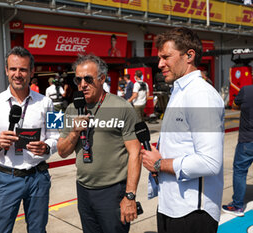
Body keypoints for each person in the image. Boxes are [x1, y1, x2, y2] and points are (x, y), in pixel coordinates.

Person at [140, 27, 225, 233]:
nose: (160, 64)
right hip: (172, 205)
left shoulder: (200, 95)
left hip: (192, 213)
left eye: (166, 57)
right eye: (159, 58)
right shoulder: (180, 90)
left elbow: (210, 162)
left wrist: (159, 163)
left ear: (189, 55)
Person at [57, 54, 142, 233]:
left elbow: (135, 153)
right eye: (78, 79)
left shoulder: (121, 108)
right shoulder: (73, 108)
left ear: (102, 79)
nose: (82, 85)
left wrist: (130, 196)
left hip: (113, 192)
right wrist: (74, 132)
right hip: (84, 190)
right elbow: (62, 152)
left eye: (88, 79)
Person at [0, 46, 59, 233]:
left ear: (31, 72)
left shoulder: (47, 103)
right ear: (6, 71)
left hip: (38, 177)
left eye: (23, 69)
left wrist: (46, 147)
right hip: (7, 178)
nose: (18, 74)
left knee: (38, 230)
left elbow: (57, 137)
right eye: (13, 69)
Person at [222, 84, 253, 217]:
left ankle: (237, 205)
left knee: (240, 171)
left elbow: (234, 105)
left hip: (247, 140)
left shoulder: (246, 90)